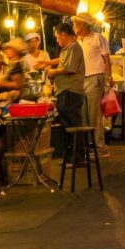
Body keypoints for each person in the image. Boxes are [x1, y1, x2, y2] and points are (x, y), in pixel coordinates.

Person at [72, 13, 111, 157]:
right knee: (84, 116)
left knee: (94, 115)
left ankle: (101, 147)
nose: (73, 27)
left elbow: (106, 58)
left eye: (76, 24)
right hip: (81, 80)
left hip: (95, 79)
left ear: (83, 25)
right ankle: (89, 147)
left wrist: (109, 76)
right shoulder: (77, 41)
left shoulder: (97, 38)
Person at [49, 22, 86, 160]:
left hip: (71, 92)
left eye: (58, 37)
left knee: (73, 124)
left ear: (63, 35)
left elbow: (70, 68)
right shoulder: (69, 48)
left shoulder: (75, 47)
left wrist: (53, 72)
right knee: (67, 125)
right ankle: (71, 156)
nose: (57, 40)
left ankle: (78, 157)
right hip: (65, 91)